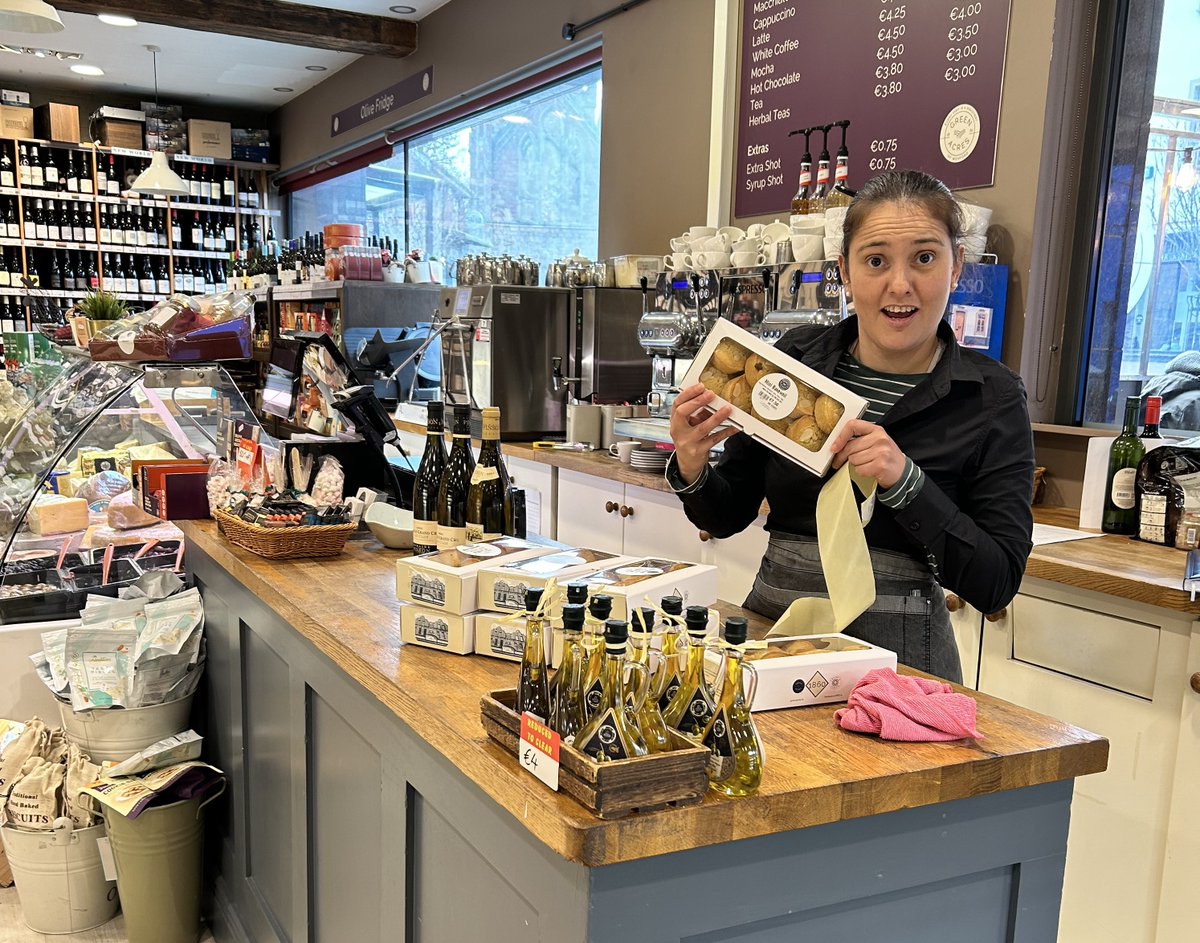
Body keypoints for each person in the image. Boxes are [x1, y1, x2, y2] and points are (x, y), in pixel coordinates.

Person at [666, 170, 1034, 683]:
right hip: (775, 633)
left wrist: (905, 482)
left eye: (924, 258)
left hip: (902, 668)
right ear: (844, 270)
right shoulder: (795, 363)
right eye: (876, 260)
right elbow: (727, 515)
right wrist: (693, 463)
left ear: (956, 269)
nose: (899, 284)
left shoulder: (991, 398)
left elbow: (996, 583)